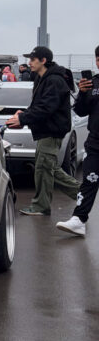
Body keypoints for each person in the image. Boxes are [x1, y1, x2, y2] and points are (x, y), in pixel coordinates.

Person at [6, 46, 79, 216]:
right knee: (46, 168)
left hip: (52, 131)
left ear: (43, 60)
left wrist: (23, 119)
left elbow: (47, 107)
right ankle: (48, 203)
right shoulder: (43, 78)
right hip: (46, 130)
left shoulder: (54, 80)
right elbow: (40, 105)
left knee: (46, 168)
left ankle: (78, 194)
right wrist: (23, 113)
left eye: (33, 59)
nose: (29, 63)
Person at [57, 46, 99, 237]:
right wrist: (82, 93)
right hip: (96, 142)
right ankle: (79, 219)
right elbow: (81, 111)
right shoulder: (93, 84)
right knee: (89, 181)